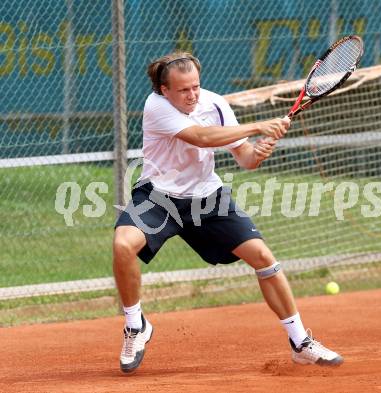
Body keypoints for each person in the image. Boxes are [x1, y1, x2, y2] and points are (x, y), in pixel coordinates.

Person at [113, 51, 343, 374]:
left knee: (263, 257)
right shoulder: (156, 107)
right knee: (123, 245)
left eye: (195, 86)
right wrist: (259, 124)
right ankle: (136, 326)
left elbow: (245, 159)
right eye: (183, 90)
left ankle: (300, 342)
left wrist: (259, 151)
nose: (192, 95)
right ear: (164, 90)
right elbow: (201, 137)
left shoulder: (216, 104)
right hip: (159, 196)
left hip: (207, 198)